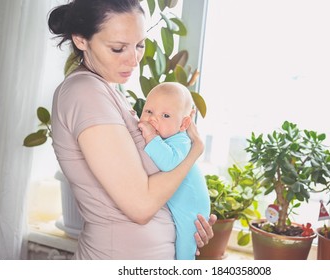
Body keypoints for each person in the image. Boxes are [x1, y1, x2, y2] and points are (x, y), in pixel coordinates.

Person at [48, 0, 216, 259]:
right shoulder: (85, 93)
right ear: (81, 40)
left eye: (139, 45)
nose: (133, 59)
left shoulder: (108, 90)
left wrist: (187, 222)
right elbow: (140, 206)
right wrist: (196, 152)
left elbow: (149, 187)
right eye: (118, 48)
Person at [138, 82, 211, 260]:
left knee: (184, 253)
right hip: (183, 206)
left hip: (192, 211)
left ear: (184, 123)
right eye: (149, 111)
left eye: (165, 115)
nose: (153, 119)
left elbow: (169, 163)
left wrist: (151, 137)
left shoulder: (181, 141)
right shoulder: (169, 136)